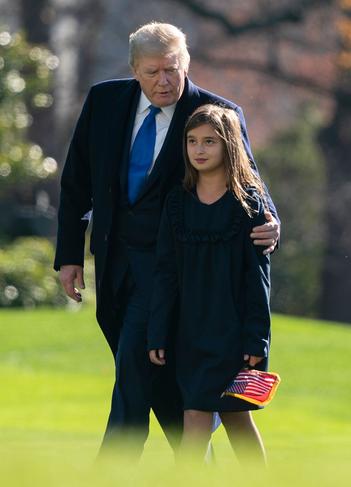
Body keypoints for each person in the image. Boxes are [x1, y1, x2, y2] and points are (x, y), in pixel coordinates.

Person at [54, 22, 279, 457]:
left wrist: (272, 224)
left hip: (174, 275)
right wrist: (69, 255)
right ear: (135, 69)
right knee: (154, 379)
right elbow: (76, 182)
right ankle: (197, 468)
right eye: (153, 71)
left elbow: (251, 185)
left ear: (186, 64)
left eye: (172, 69)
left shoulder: (214, 113)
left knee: (134, 375)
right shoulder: (104, 102)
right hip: (115, 267)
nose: (164, 80)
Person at [148, 104, 271, 465]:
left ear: (229, 146)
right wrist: (158, 332)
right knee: (195, 417)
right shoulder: (176, 203)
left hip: (234, 336)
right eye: (191, 141)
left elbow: (257, 280)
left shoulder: (248, 206)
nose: (199, 150)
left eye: (209, 142)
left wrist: (256, 339)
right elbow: (165, 273)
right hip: (189, 334)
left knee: (236, 417)